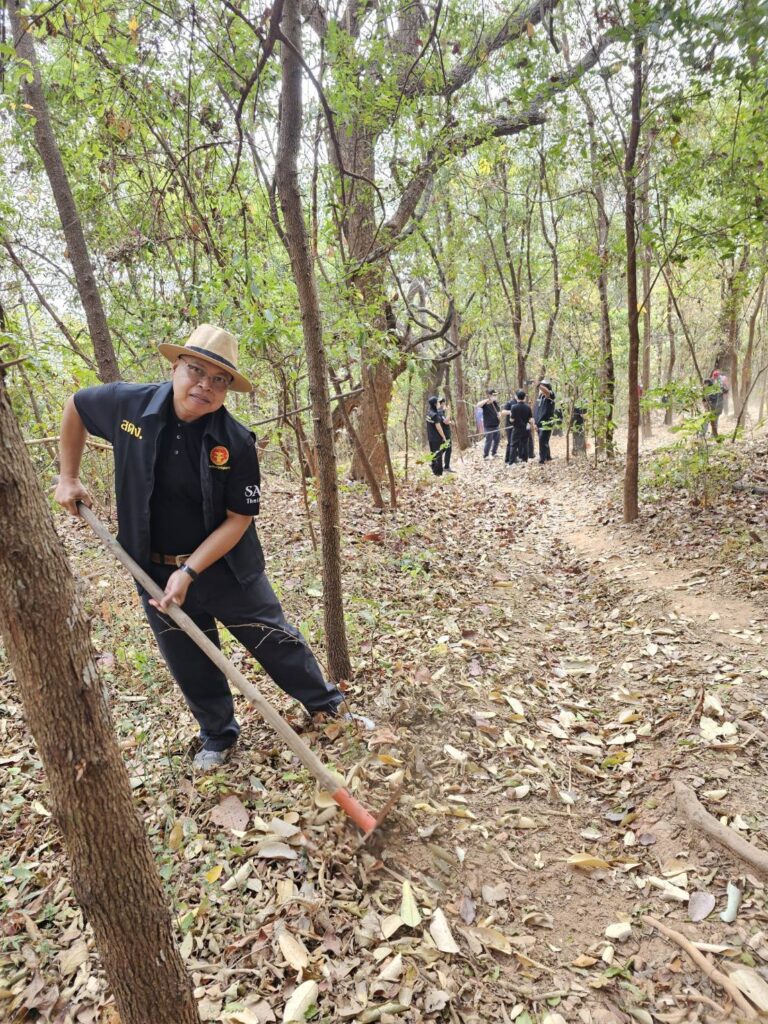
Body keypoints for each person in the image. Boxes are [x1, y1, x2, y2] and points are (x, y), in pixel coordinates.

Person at [54, 324, 362, 771]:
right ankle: (218, 735)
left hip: (228, 567)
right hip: (153, 570)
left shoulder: (235, 441)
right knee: (188, 658)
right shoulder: (128, 405)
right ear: (175, 367)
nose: (205, 385)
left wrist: (190, 570)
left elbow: (239, 519)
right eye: (196, 371)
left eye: (219, 379)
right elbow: (77, 405)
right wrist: (68, 477)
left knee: (275, 640)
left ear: (227, 389)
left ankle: (326, 705)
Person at [507, 389, 535, 464]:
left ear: (517, 397)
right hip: (525, 429)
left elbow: (511, 420)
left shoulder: (513, 407)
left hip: (516, 429)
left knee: (513, 445)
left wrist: (511, 417)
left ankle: (511, 462)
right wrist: (531, 425)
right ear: (524, 398)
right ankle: (524, 460)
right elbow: (530, 419)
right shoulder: (528, 407)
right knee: (525, 444)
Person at [534, 379, 556, 463]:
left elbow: (547, 392)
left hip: (547, 423)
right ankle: (548, 457)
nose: (540, 389)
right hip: (538, 423)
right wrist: (535, 423)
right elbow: (536, 410)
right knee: (544, 440)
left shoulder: (551, 395)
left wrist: (538, 384)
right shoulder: (540, 397)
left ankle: (542, 460)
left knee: (542, 440)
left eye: (542, 386)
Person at [426, 395, 448, 475]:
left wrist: (443, 410)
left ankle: (434, 468)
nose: (439, 403)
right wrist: (444, 436)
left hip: (430, 437)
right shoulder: (435, 415)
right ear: (435, 404)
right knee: (438, 454)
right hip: (436, 438)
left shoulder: (429, 413)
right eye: (438, 402)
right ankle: (438, 472)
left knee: (433, 453)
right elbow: (438, 428)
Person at [478, 388, 501, 459]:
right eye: (494, 395)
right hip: (488, 426)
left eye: (496, 395)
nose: (495, 396)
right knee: (489, 441)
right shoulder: (485, 404)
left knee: (497, 440)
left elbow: (499, 411)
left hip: (496, 425)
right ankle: (486, 455)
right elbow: (478, 405)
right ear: (490, 395)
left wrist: (499, 415)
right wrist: (488, 399)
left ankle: (494, 453)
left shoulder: (495, 403)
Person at [438, 398, 455, 472]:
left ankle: (435, 461)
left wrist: (450, 422)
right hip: (444, 434)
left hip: (445, 433)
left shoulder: (441, 412)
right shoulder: (439, 411)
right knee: (448, 448)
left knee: (445, 448)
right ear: (442, 403)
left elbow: (445, 421)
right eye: (444, 403)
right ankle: (446, 466)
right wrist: (449, 412)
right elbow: (445, 421)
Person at [501, 392, 518, 465]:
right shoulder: (509, 403)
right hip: (509, 426)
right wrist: (511, 411)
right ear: (515, 396)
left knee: (516, 443)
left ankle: (514, 457)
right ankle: (508, 459)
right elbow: (503, 412)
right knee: (510, 442)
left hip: (517, 426)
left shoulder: (520, 403)